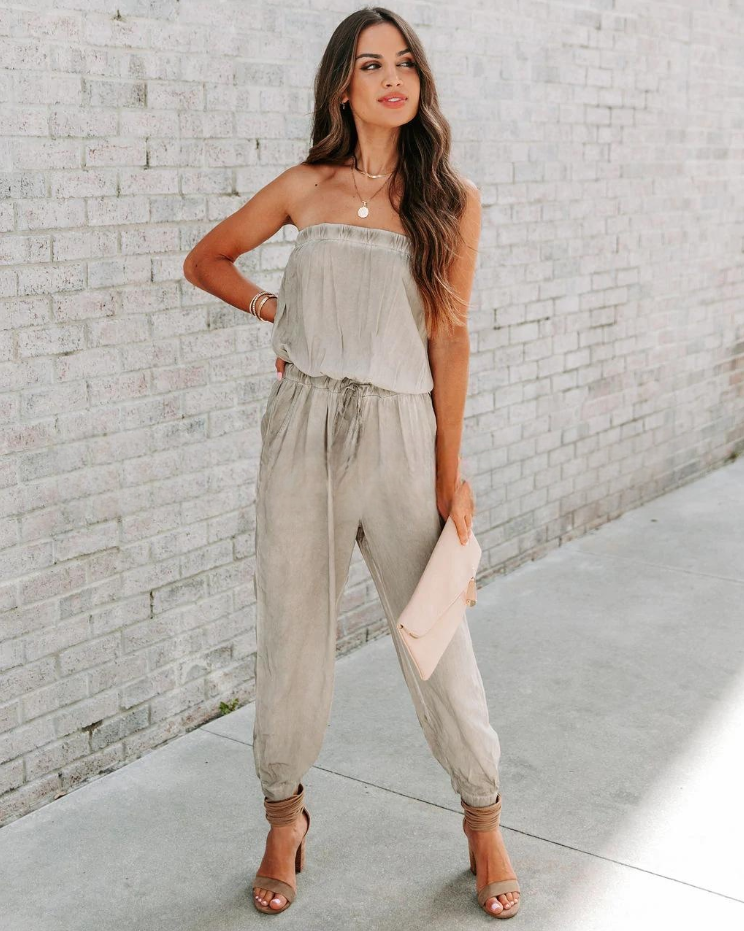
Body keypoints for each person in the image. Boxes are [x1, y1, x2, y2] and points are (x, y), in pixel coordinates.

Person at [183, 6, 521, 920]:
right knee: (293, 630)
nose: (392, 78)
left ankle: (483, 816)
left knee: (436, 634)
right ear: (343, 85)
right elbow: (206, 260)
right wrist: (276, 313)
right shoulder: (307, 186)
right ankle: (284, 817)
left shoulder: (450, 198)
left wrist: (450, 475)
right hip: (303, 429)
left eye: (404, 62)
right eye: (371, 64)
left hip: (404, 430)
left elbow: (449, 340)